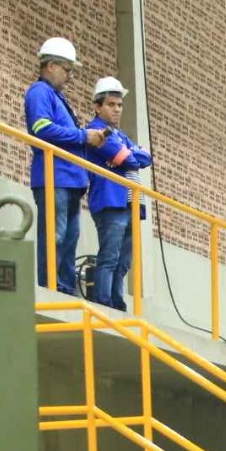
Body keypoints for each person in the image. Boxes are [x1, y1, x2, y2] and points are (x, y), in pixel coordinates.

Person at [25, 37, 107, 294]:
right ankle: (51, 287)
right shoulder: (40, 92)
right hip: (54, 177)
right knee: (56, 236)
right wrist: (83, 136)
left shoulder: (56, 97)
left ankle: (64, 288)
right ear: (50, 66)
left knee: (69, 239)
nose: (69, 76)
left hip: (69, 180)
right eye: (66, 69)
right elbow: (42, 128)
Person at [84, 77, 152, 310]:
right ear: (97, 106)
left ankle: (116, 302)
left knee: (123, 261)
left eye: (120, 105)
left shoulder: (119, 135)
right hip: (111, 201)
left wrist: (129, 155)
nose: (117, 109)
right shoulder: (96, 131)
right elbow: (129, 160)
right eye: (111, 104)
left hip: (131, 203)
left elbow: (146, 157)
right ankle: (105, 303)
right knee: (110, 257)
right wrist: (129, 155)